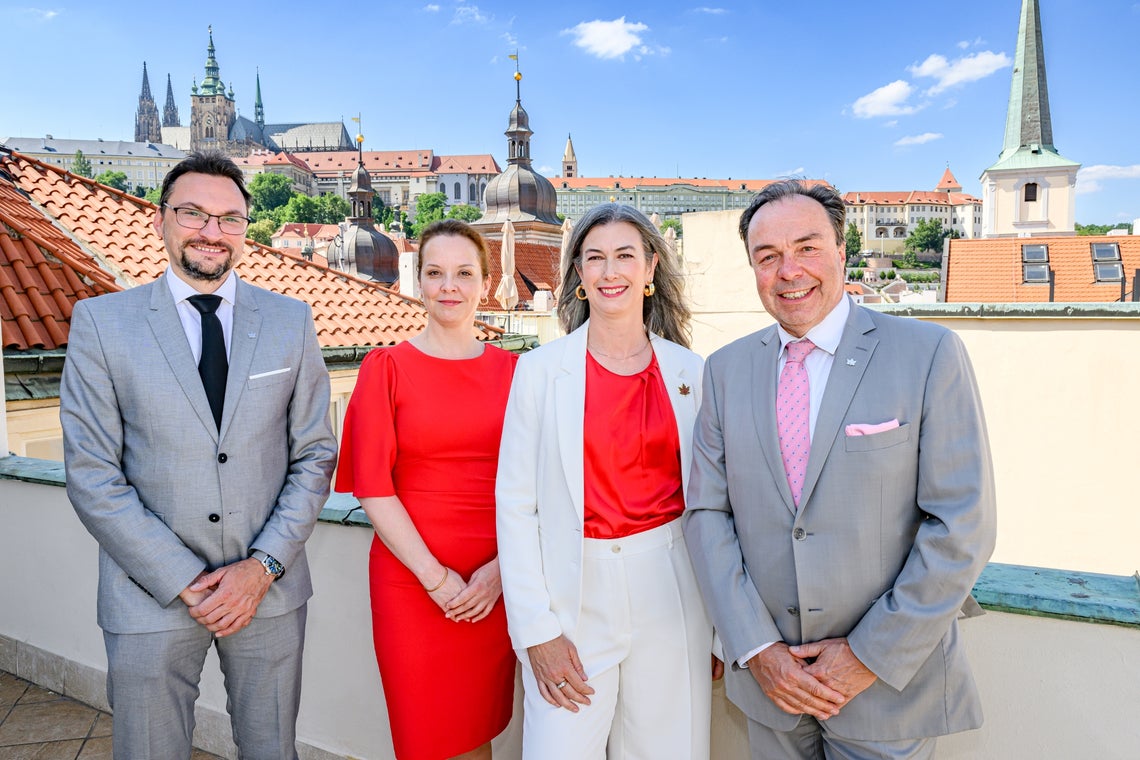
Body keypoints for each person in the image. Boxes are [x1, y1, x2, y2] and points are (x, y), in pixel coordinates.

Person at [683, 179, 997, 759]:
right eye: (768, 256)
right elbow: (707, 513)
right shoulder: (725, 370)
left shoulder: (928, 354)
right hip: (771, 687)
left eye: (807, 247)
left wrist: (867, 655)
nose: (789, 270)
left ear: (842, 252)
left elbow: (961, 524)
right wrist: (756, 648)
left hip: (887, 688)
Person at [60, 151, 337, 759]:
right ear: (161, 220)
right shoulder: (103, 324)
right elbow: (91, 472)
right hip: (148, 593)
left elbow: (315, 456)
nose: (213, 232)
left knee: (271, 750)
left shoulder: (291, 322)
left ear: (245, 230)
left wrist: (261, 568)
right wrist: (184, 578)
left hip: (268, 593)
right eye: (194, 214)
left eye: (230, 219)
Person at [496, 203, 718, 759]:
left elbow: (718, 505)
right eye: (594, 258)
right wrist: (537, 632)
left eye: (625, 256)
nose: (610, 270)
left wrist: (719, 629)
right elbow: (516, 506)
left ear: (650, 271)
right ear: (578, 278)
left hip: (672, 587)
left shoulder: (692, 373)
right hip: (573, 595)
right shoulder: (540, 372)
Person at [337, 219, 517, 760]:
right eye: (435, 273)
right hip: (411, 584)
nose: (449, 287)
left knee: (476, 730)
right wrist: (436, 580)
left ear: (485, 282)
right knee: (425, 736)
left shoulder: (518, 373)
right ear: (418, 281)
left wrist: (500, 573)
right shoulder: (386, 368)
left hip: (495, 584)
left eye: (464, 273)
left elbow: (542, 486)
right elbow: (373, 488)